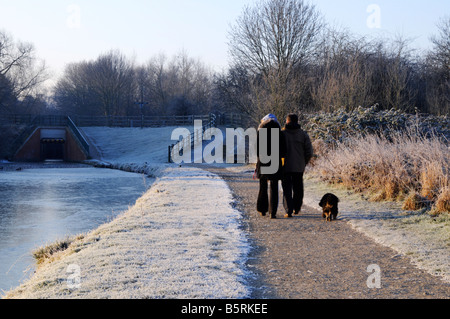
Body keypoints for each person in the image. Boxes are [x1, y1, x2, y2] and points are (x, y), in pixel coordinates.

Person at [281, 113, 313, 218]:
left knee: (287, 189)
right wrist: (304, 162)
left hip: (285, 166)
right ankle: (296, 208)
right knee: (298, 188)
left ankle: (288, 210)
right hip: (299, 166)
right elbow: (309, 151)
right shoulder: (303, 134)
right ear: (297, 121)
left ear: (287, 121)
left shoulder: (282, 133)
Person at [256, 113, 286, 219]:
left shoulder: (261, 132)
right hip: (275, 161)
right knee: (274, 187)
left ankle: (262, 209)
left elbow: (258, 150)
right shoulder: (280, 133)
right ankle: (272, 212)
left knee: (263, 186)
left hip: (263, 161)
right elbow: (283, 151)